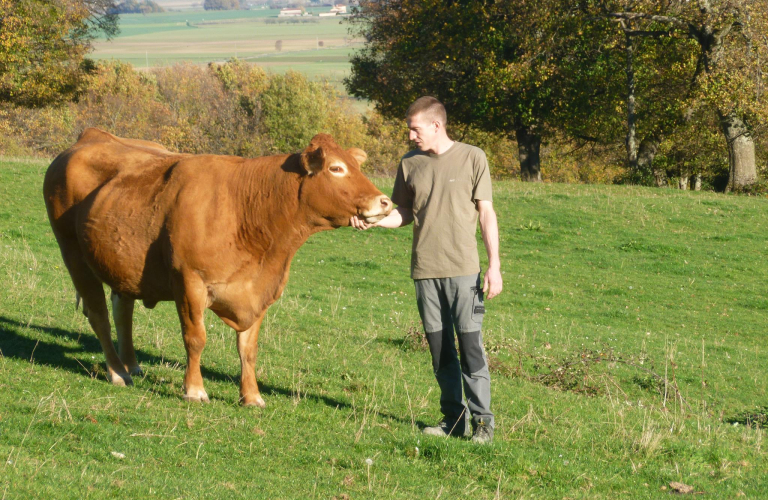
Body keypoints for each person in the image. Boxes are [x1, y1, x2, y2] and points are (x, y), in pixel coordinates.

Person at [351, 96, 502, 444]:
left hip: (464, 272)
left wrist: (494, 266)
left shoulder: (473, 157)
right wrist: (372, 221)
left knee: (471, 348)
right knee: (440, 351)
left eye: (415, 128)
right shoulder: (409, 164)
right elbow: (404, 213)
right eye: (409, 129)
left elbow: (486, 214)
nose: (410, 136)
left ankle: (483, 424)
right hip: (425, 272)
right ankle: (453, 420)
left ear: (437, 125)